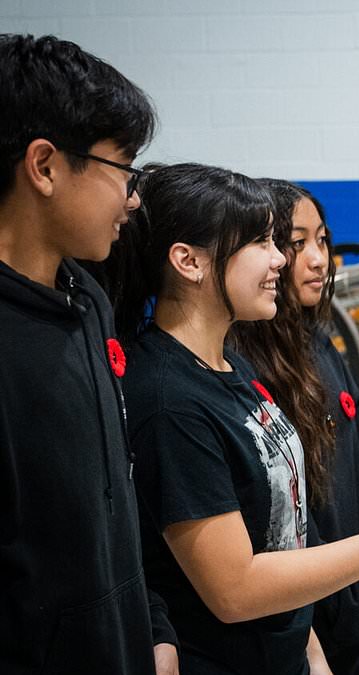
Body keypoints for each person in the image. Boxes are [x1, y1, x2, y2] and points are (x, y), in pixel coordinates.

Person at [109, 162, 359, 675]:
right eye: (260, 242)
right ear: (189, 261)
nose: (280, 260)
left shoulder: (231, 365)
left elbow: (288, 527)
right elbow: (236, 589)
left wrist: (310, 651)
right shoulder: (168, 401)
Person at [0, 33, 179, 675]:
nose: (133, 198)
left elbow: (113, 497)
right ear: (45, 167)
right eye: (122, 170)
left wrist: (150, 624)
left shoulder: (88, 299)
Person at [229, 180, 359, 674]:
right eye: (298, 244)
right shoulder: (245, 365)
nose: (318, 259)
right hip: (302, 628)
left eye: (323, 240)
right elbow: (294, 528)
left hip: (354, 609)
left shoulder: (318, 344)